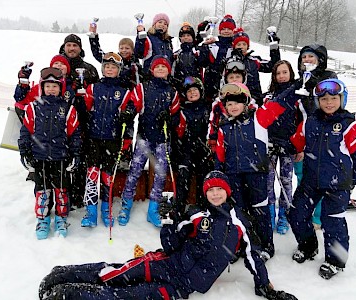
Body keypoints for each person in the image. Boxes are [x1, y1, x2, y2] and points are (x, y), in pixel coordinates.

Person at [38, 171, 297, 300]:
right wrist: (170, 222)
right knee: (114, 275)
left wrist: (267, 287)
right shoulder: (196, 215)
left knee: (125, 297)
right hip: (165, 264)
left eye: (220, 190)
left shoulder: (239, 222)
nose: (215, 194)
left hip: (180, 288)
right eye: (210, 190)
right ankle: (63, 274)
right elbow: (171, 244)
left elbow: (252, 256)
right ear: (205, 195)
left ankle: (68, 293)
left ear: (227, 192)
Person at [288, 79, 356, 279]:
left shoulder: (349, 125)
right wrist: (283, 146)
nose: (329, 102)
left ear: (342, 99)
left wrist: (351, 181)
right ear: (318, 101)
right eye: (324, 99)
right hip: (311, 181)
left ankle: (335, 261)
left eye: (333, 98)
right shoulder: (311, 121)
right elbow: (296, 142)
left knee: (332, 222)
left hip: (337, 184)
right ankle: (308, 247)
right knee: (297, 214)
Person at [214, 82, 299, 260]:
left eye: (237, 102)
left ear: (245, 103)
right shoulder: (223, 127)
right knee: (239, 212)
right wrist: (217, 176)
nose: (233, 107)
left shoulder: (259, 118)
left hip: (257, 175)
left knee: (260, 211)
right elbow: (220, 155)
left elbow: (281, 102)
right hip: (233, 175)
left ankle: (266, 246)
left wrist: (299, 85)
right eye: (229, 104)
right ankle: (242, 245)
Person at [18, 67, 81, 240]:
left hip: (61, 157)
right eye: (48, 86)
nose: (51, 89)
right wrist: (25, 152)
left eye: (55, 86)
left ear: (60, 88)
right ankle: (43, 219)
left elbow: (74, 133)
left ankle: (61, 218)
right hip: (40, 157)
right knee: (42, 190)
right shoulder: (33, 107)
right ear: (42, 87)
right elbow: (26, 131)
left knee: (61, 190)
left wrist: (75, 154)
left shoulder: (67, 108)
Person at [118, 55, 180, 227]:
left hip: (162, 139)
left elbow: (176, 117)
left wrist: (169, 118)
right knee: (135, 171)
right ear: (152, 70)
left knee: (160, 175)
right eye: (157, 67)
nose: (160, 69)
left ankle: (153, 209)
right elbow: (134, 104)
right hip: (144, 137)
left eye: (164, 67)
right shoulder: (143, 88)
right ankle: (126, 205)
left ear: (168, 71)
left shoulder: (172, 92)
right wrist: (129, 112)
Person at [80, 52, 135, 228]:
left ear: (119, 70)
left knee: (107, 176)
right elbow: (85, 112)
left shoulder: (125, 92)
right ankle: (90, 211)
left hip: (113, 139)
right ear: (103, 69)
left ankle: (106, 208)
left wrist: (126, 139)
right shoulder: (94, 88)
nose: (110, 69)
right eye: (107, 67)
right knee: (92, 175)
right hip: (94, 139)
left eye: (113, 67)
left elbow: (130, 119)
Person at [294, 44, 338, 229]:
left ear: (320, 60)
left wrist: (314, 90)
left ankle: (318, 217)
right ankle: (303, 211)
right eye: (304, 57)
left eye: (311, 56)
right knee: (302, 176)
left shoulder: (329, 78)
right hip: (301, 137)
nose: (307, 60)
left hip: (322, 137)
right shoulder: (299, 81)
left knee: (320, 178)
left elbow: (331, 106)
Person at [14, 55, 75, 182]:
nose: (59, 66)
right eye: (56, 63)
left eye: (62, 64)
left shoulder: (72, 87)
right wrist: (23, 82)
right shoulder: (41, 87)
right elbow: (21, 99)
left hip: (61, 146)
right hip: (41, 144)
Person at [59, 34, 100, 209]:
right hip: (60, 121)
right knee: (61, 158)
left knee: (80, 158)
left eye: (75, 45)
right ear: (64, 47)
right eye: (69, 45)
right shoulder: (58, 67)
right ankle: (62, 194)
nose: (72, 48)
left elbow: (97, 94)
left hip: (84, 121)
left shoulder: (89, 69)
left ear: (80, 48)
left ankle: (78, 194)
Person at [264, 60, 299, 235]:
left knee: (286, 181)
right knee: (269, 181)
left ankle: (284, 215)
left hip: (289, 145)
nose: (281, 76)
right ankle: (270, 214)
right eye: (278, 73)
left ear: (290, 73)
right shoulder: (269, 96)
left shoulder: (298, 95)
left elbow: (302, 123)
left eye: (284, 72)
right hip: (271, 145)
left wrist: (299, 147)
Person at [172, 76, 212, 213]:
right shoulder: (183, 111)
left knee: (204, 180)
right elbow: (178, 132)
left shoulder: (208, 109)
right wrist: (178, 152)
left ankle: (204, 210)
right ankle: (179, 210)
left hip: (203, 152)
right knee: (183, 180)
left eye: (195, 90)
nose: (192, 93)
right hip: (187, 151)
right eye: (189, 91)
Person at [229, 28, 281, 105]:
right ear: (234, 46)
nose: (242, 47)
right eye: (238, 44)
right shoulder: (229, 62)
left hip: (254, 99)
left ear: (248, 46)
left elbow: (274, 66)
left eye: (244, 44)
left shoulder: (254, 60)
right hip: (235, 101)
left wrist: (274, 47)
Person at [88, 22, 142, 89]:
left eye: (127, 48)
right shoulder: (115, 60)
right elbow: (98, 53)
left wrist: (140, 34)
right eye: (121, 48)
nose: (124, 50)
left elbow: (140, 47)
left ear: (132, 49)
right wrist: (93, 38)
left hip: (131, 92)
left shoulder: (135, 63)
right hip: (116, 92)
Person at [197, 14, 236, 101]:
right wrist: (204, 46)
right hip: (210, 87)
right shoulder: (212, 45)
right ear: (219, 31)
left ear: (233, 30)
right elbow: (202, 62)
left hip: (229, 88)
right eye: (223, 29)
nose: (226, 31)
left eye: (229, 29)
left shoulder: (235, 47)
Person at [171, 22, 202, 91]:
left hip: (196, 86)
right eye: (183, 35)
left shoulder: (197, 51)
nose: (186, 37)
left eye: (188, 35)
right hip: (181, 87)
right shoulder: (177, 54)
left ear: (192, 38)